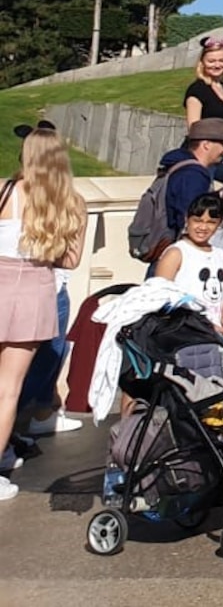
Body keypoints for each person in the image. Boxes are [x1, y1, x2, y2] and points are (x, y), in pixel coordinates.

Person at [0, 124, 86, 505]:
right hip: (35, 287)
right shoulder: (71, 202)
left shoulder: (5, 191)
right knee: (8, 390)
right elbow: (71, 259)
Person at [154, 191, 223, 332]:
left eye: (211, 223)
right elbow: (160, 296)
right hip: (183, 333)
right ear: (186, 219)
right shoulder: (176, 253)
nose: (203, 227)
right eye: (198, 220)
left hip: (213, 335)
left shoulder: (220, 254)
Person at [152, 118, 223, 250]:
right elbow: (189, 217)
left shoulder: (179, 166)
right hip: (179, 253)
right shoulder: (194, 175)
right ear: (206, 145)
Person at [182, 35, 223, 145]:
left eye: (222, 60)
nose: (217, 65)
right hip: (202, 152)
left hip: (222, 150)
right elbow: (194, 130)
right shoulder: (197, 90)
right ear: (202, 62)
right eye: (211, 61)